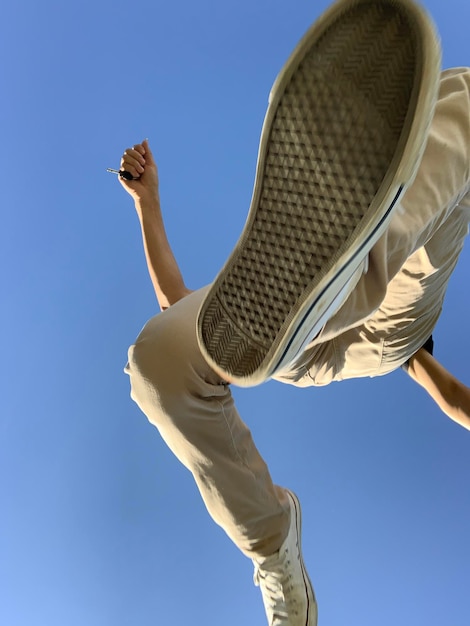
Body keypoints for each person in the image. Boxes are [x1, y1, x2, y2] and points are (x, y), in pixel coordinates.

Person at [115, 1, 470, 624]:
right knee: (163, 359)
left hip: (386, 333)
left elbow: (454, 402)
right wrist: (148, 202)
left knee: (445, 115)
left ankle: (349, 240)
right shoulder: (245, 313)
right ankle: (275, 550)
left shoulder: (415, 356)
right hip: (287, 344)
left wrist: (148, 208)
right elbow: (180, 309)